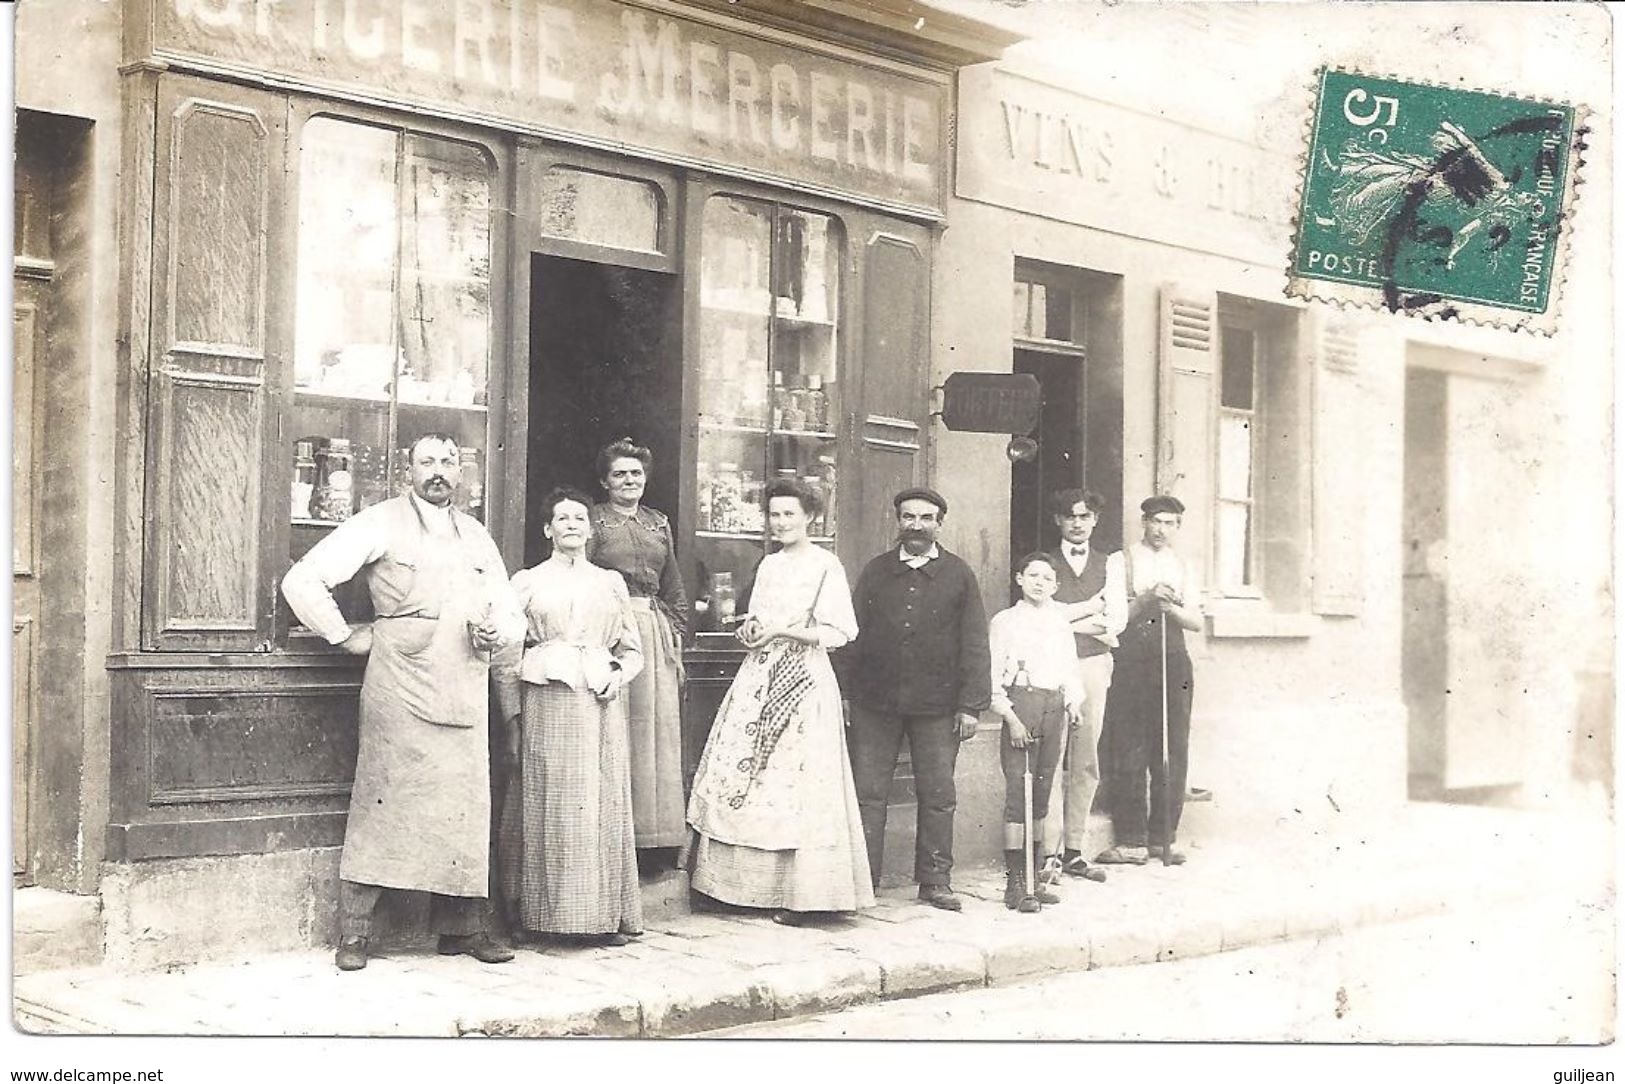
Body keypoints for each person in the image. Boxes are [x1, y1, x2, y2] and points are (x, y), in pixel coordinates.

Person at [281, 432, 524, 972]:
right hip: (400, 684)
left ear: (461, 473)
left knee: (465, 805)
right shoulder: (378, 521)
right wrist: (343, 635)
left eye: (447, 462)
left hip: (463, 681)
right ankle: (357, 934)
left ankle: (462, 930)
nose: (437, 471)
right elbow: (302, 580)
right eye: (426, 461)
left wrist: (496, 634)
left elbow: (508, 610)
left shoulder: (477, 535)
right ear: (406, 470)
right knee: (384, 799)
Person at [685, 479, 873, 924]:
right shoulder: (768, 564)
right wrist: (751, 629)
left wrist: (782, 633)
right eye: (774, 514)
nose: (781, 522)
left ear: (810, 517)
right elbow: (758, 619)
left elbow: (840, 632)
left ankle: (803, 895)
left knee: (796, 780)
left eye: (790, 514)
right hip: (759, 674)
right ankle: (737, 889)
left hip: (804, 678)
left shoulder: (826, 565)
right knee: (746, 772)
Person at [494, 486, 645, 946]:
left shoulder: (609, 583)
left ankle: (600, 916)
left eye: (580, 517)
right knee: (546, 802)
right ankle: (533, 915)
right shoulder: (527, 582)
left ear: (590, 527)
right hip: (547, 701)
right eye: (563, 518)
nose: (573, 525)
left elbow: (632, 650)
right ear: (548, 529)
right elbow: (505, 655)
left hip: (598, 702)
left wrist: (617, 674)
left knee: (598, 802)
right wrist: (512, 717)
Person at [841, 487, 990, 912]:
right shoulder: (876, 571)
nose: (917, 525)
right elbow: (852, 635)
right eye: (909, 517)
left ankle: (935, 880)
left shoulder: (959, 574)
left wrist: (970, 705)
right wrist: (848, 693)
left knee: (939, 792)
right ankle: (863, 878)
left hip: (939, 707)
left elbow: (975, 642)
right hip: (875, 701)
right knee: (869, 793)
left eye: (926, 518)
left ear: (939, 523)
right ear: (898, 522)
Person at [587, 438, 690, 863]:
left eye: (636, 474)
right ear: (604, 482)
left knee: (655, 731)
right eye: (619, 474)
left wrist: (676, 631)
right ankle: (614, 835)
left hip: (653, 626)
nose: (629, 480)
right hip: (612, 627)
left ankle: (653, 838)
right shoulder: (592, 520)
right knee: (619, 727)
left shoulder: (657, 522)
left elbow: (675, 585)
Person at [1096, 496, 1203, 867]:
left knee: (1173, 745)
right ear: (1143, 522)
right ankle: (1132, 840)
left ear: (1178, 527)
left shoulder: (1184, 564)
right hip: (1131, 659)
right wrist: (1145, 599)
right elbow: (1114, 617)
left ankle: (1163, 838)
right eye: (1155, 522)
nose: (1161, 530)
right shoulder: (1120, 561)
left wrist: (1169, 607)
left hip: (1172, 658)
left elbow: (1197, 620)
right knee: (1129, 745)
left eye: (1170, 523)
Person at [988, 553, 1084, 912]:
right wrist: (1010, 718)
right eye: (1033, 575)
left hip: (1053, 707)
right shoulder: (1006, 621)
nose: (1039, 582)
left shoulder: (1059, 623)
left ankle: (1035, 878)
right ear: (1019, 578)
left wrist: (1074, 702)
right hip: (1021, 704)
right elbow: (993, 675)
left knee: (1041, 795)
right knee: (1019, 793)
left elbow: (1070, 670)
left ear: (1055, 586)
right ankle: (1015, 883)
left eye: (1047, 578)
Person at [1045, 488, 1127, 884]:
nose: (1078, 523)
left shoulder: (1110, 564)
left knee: (1085, 756)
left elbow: (1116, 622)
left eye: (1086, 516)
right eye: (1070, 516)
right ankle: (1048, 852)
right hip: (1054, 666)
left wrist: (1067, 619)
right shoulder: (1044, 564)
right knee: (1052, 752)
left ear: (1095, 521)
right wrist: (1090, 610)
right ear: (1058, 521)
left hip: (1094, 663)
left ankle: (1074, 850)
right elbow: (1044, 616)